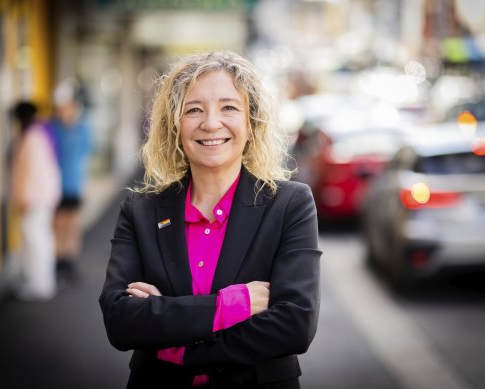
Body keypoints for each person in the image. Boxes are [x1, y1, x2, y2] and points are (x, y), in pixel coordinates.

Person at [99, 51, 321, 389]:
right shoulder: (140, 210)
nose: (211, 123)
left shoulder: (290, 204)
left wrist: (177, 344)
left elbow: (294, 325)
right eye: (193, 109)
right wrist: (233, 305)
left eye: (229, 107)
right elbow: (120, 321)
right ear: (175, 126)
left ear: (251, 123)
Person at [10, 101, 61, 301]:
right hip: (41, 198)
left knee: (35, 240)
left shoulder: (32, 137)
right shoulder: (41, 132)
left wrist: (26, 198)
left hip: (34, 200)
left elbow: (32, 173)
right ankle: (43, 282)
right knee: (41, 239)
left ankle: (39, 285)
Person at [48, 78, 92, 284]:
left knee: (72, 224)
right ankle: (58, 262)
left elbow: (87, 151)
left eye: (69, 107)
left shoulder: (82, 128)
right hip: (54, 186)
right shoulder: (52, 129)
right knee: (58, 224)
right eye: (62, 108)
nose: (67, 111)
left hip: (74, 184)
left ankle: (70, 262)